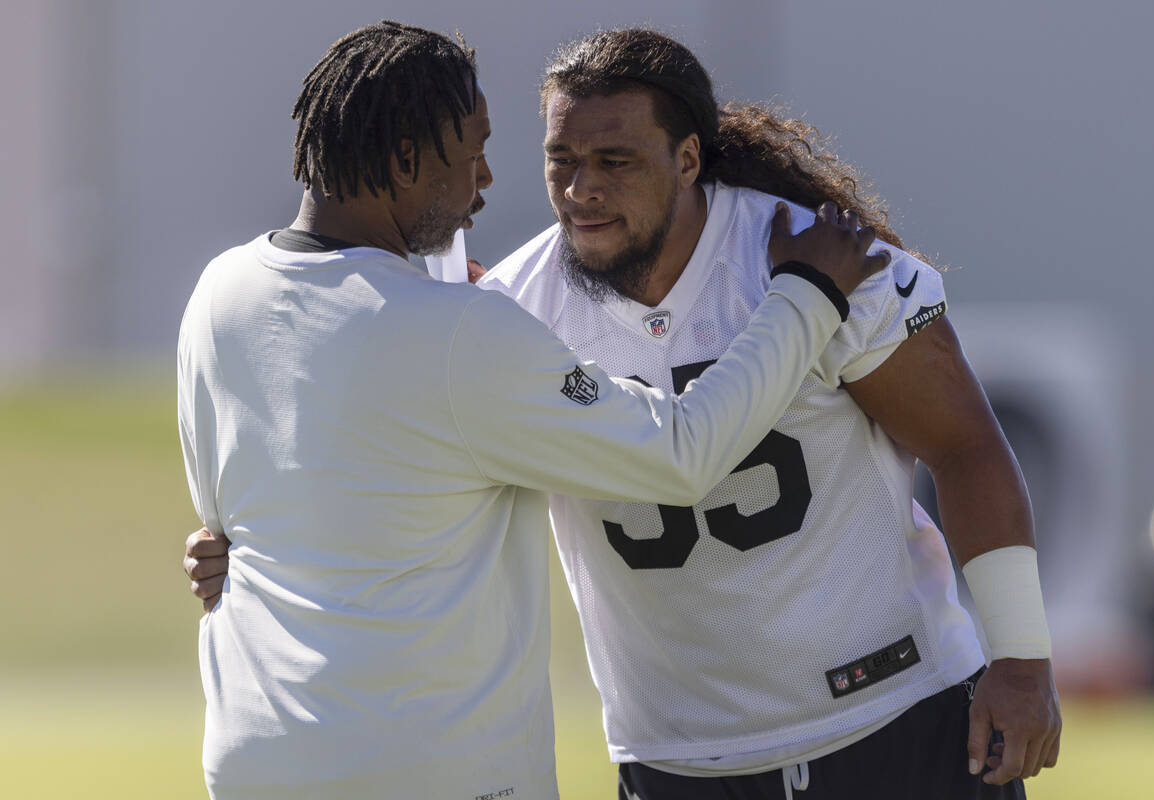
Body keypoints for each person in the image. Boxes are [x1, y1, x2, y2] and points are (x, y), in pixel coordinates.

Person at [176, 21, 888, 800]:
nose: (486, 178)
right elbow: (679, 454)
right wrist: (806, 297)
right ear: (406, 160)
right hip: (428, 773)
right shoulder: (462, 330)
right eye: (471, 149)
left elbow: (223, 535)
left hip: (252, 761)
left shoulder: (218, 293)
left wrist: (215, 560)